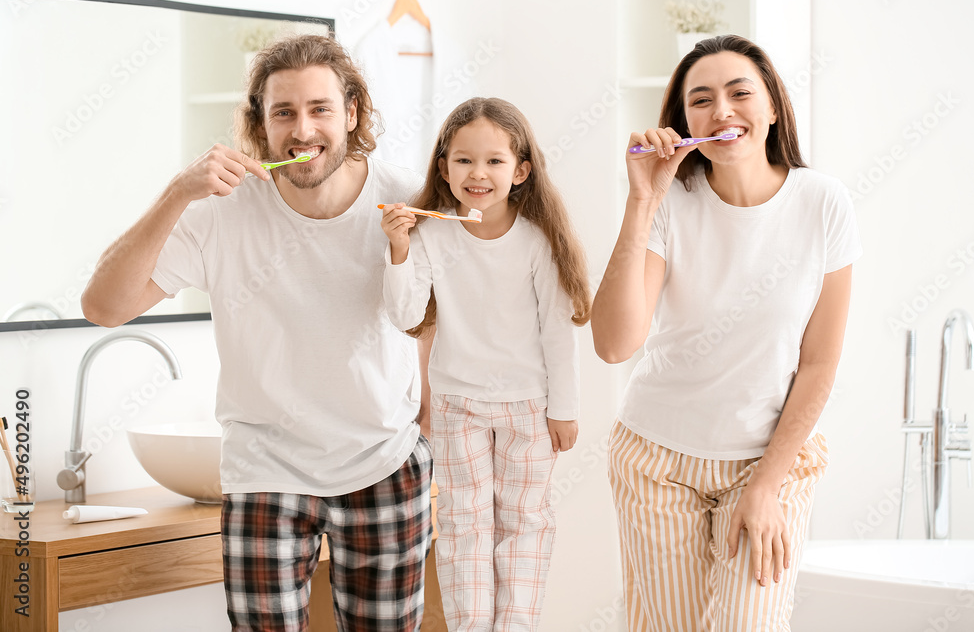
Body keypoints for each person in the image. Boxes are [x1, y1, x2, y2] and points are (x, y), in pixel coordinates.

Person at [81, 34, 434, 632]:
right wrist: (177, 193)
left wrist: (426, 417)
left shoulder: (404, 201)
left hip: (383, 463)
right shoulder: (220, 212)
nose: (303, 130)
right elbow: (103, 307)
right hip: (265, 471)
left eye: (320, 109)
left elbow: (433, 316)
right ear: (259, 122)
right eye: (283, 112)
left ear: (352, 112)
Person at [591, 35, 862, 631]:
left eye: (741, 93)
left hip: (770, 460)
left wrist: (765, 487)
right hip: (656, 459)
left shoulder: (823, 204)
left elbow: (818, 364)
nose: (722, 112)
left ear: (772, 108)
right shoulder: (670, 202)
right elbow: (615, 344)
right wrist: (641, 200)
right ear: (683, 120)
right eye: (701, 100)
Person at [379, 97, 591, 631]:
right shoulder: (430, 233)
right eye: (464, 160)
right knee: (461, 526)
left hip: (530, 407)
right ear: (444, 169)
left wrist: (563, 410)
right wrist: (399, 247)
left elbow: (557, 332)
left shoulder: (539, 241)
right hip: (458, 406)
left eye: (494, 161)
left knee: (525, 524)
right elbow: (406, 316)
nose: (478, 173)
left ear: (520, 171)